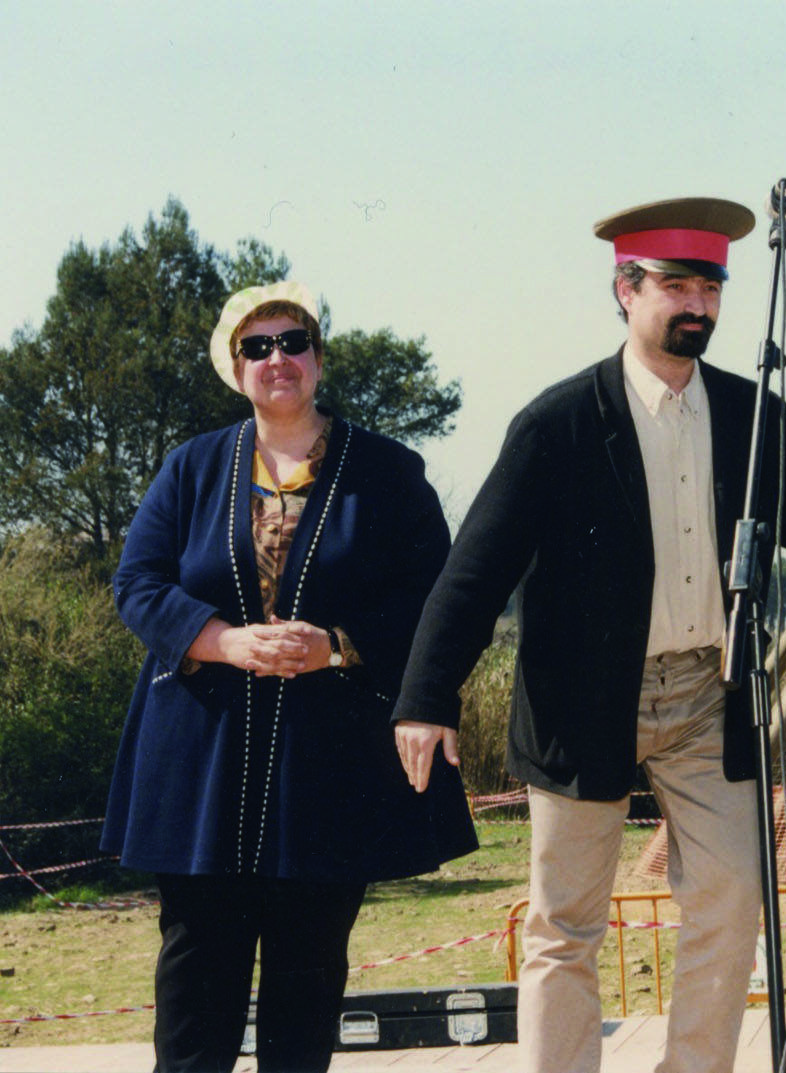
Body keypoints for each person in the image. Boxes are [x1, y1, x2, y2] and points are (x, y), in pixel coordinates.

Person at [390, 197, 786, 1073]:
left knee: (733, 897)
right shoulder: (555, 425)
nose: (697, 304)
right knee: (565, 924)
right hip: (582, 701)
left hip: (712, 694)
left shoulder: (756, 418)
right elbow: (475, 570)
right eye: (675, 283)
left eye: (710, 284)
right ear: (624, 290)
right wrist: (426, 695)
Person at [102, 281, 478, 1072]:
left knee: (307, 984)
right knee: (197, 974)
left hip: (325, 769)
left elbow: (433, 599)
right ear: (236, 368)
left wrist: (336, 644)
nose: (279, 359)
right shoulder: (191, 467)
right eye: (258, 346)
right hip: (201, 763)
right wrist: (223, 639)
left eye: (294, 341)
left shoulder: (386, 470)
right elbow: (137, 581)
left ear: (317, 356)